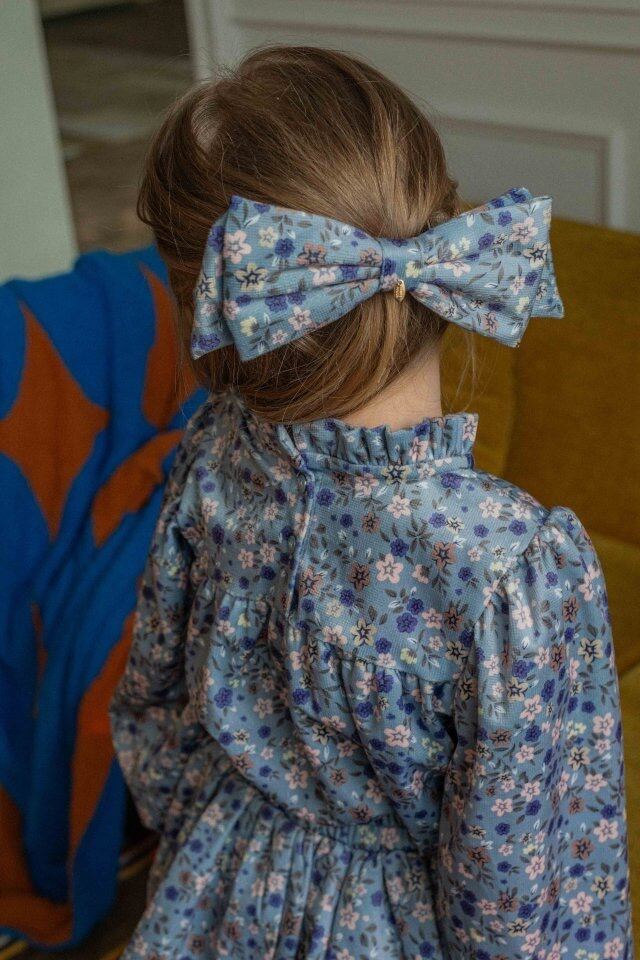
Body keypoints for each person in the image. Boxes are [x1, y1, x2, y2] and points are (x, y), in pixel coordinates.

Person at [110, 45, 633, 960]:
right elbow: (529, 900)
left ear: (211, 302)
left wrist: (217, 839)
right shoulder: (508, 571)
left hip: (218, 887)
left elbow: (156, 708)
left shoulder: (212, 456)